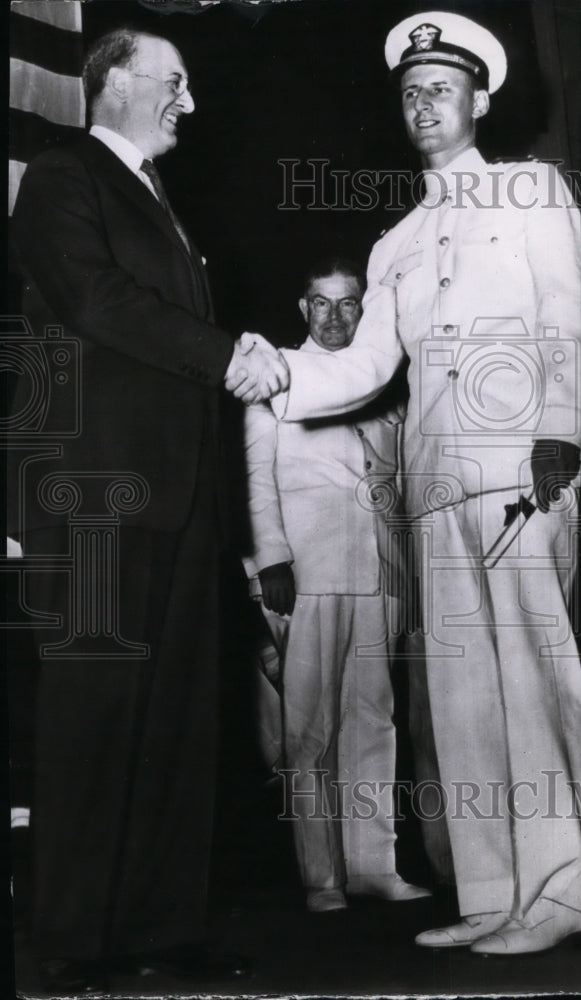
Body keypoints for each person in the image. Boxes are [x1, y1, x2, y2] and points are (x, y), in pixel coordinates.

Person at [228, 11, 581, 955]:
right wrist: (277, 370)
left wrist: (561, 430)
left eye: (441, 89)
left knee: (533, 674)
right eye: (410, 92)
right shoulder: (396, 244)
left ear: (480, 99)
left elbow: (567, 314)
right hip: (433, 487)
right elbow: (365, 367)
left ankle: (560, 890)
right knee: (462, 694)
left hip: (521, 471)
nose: (424, 105)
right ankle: (494, 890)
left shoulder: (530, 189)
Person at [9, 27, 287, 992]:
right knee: (95, 721)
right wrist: (227, 355)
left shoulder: (159, 199)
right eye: (175, 83)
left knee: (173, 720)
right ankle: (78, 939)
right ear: (116, 81)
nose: (189, 102)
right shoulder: (61, 174)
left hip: (175, 497)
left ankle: (160, 925)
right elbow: (93, 300)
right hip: (95, 499)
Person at [243, 258, 429, 913]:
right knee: (308, 732)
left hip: (376, 576)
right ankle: (322, 878)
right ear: (302, 309)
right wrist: (271, 562)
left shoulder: (382, 386)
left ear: (363, 309)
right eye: (320, 304)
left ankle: (373, 865)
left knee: (372, 723)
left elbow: (399, 488)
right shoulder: (276, 374)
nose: (333, 317)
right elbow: (256, 478)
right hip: (307, 575)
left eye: (348, 304)